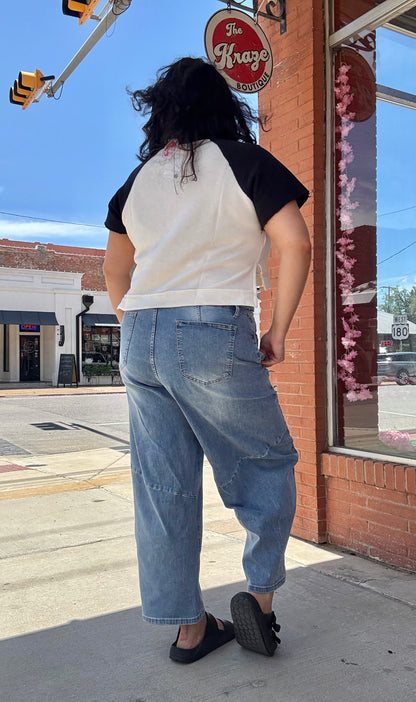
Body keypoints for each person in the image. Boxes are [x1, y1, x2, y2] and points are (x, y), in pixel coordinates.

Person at [103, 57, 311, 663]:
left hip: (138, 334)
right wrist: (276, 331)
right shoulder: (245, 162)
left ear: (161, 112)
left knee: (162, 483)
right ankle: (260, 604)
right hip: (212, 326)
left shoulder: (136, 182)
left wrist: (144, 328)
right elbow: (295, 243)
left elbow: (115, 272)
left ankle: (188, 630)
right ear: (224, 107)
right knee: (265, 462)